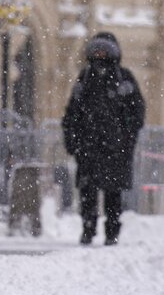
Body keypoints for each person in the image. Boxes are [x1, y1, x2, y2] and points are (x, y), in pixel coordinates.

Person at [62, 32, 145, 246]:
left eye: (104, 51)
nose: (100, 56)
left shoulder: (124, 79)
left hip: (115, 149)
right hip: (88, 147)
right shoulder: (86, 78)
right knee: (88, 193)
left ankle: (112, 231)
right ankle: (88, 229)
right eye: (97, 51)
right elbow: (73, 112)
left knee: (112, 194)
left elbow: (136, 112)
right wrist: (73, 140)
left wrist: (126, 139)